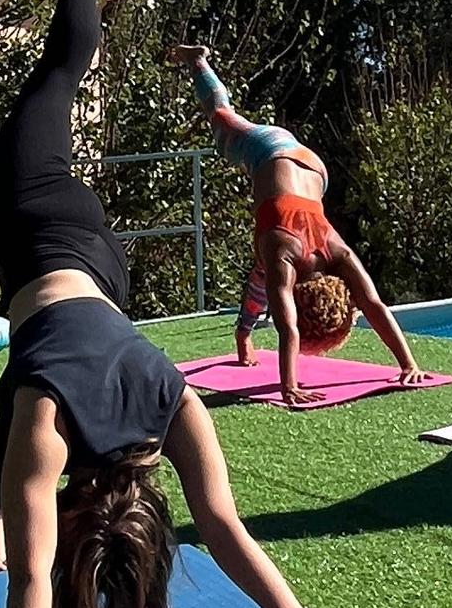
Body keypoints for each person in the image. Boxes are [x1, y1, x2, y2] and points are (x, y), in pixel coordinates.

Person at [0, 0, 354, 608]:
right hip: (43, 224)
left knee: (61, 79)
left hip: (104, 278)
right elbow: (48, 570)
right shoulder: (50, 416)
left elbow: (213, 524)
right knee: (59, 74)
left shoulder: (158, 395)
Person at [175, 54, 435, 407]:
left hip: (315, 172)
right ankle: (198, 61)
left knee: (261, 271)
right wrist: (289, 386)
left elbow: (370, 305)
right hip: (271, 150)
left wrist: (409, 364)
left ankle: (242, 334)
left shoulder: (333, 253)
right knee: (221, 117)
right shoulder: (291, 254)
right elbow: (290, 327)